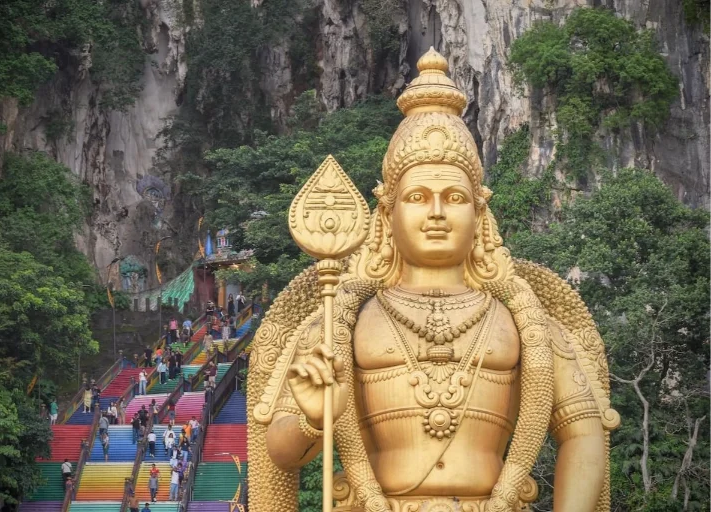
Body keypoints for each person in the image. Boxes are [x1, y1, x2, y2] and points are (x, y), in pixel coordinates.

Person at [251, 49, 617, 512]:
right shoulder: (339, 317)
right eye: (419, 197)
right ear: (387, 211)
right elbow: (280, 453)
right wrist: (312, 417)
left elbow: (583, 428)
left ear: (480, 212)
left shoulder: (525, 318)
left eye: (455, 197)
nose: (438, 213)